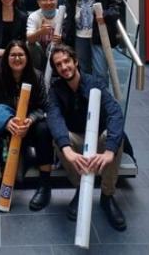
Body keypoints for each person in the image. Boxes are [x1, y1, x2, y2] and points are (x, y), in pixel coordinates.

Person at [47, 44, 126, 230]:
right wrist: (66, 148)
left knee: (115, 137)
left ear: (75, 61)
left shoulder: (94, 83)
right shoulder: (55, 89)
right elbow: (54, 116)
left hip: (98, 138)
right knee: (59, 139)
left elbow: (115, 113)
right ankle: (81, 188)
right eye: (59, 65)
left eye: (67, 61)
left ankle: (107, 196)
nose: (64, 67)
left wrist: (109, 152)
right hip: (77, 139)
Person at [0, 40, 53, 214]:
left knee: (44, 129)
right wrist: (6, 121)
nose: (17, 58)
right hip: (4, 128)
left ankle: (45, 185)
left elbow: (44, 106)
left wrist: (30, 120)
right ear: (7, 58)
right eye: (13, 55)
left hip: (27, 127)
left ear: (27, 58)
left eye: (21, 55)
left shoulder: (36, 76)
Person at [26, 0, 61, 71]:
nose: (48, 2)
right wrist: (40, 32)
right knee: (30, 45)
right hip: (40, 53)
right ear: (38, 2)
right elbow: (29, 38)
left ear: (57, 0)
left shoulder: (63, 14)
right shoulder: (33, 16)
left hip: (57, 50)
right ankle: (36, 73)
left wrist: (61, 39)